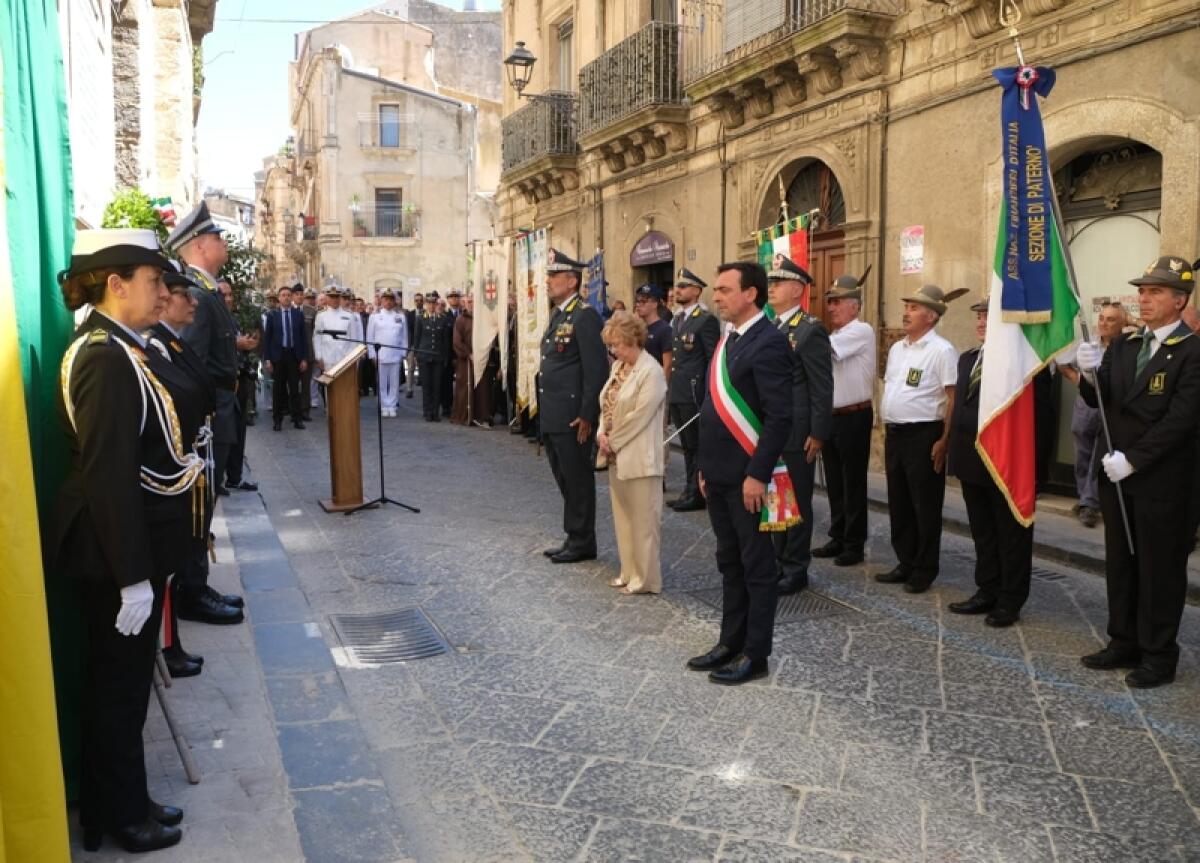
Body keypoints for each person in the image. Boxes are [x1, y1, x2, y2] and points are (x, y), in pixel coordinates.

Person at [53, 229, 203, 853]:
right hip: (112, 555)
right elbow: (109, 475)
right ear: (116, 285)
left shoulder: (123, 348)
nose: (161, 293)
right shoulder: (104, 356)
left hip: (128, 550)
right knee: (116, 693)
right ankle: (116, 817)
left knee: (125, 688)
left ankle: (124, 799)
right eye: (151, 282)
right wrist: (131, 576)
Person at [1074, 256, 1200, 688]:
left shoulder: (1192, 351)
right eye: (1143, 292)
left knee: (1160, 570)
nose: (1144, 299)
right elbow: (1099, 401)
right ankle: (1123, 640)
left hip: (1161, 482)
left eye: (1156, 292)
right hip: (1117, 478)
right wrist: (1089, 373)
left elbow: (1181, 421)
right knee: (1122, 564)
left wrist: (1134, 459)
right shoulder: (1125, 346)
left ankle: (1159, 654)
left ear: (1180, 300)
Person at [686, 261, 792, 685]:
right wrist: (704, 468)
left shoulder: (769, 342)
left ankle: (755, 653)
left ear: (751, 294)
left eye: (726, 289)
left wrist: (757, 474)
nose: (717, 297)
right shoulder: (729, 340)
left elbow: (779, 417)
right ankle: (729, 641)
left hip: (748, 478)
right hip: (719, 474)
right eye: (716, 290)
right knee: (729, 561)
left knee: (757, 567)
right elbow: (711, 412)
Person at [168, 202, 245, 624]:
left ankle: (197, 583)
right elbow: (191, 364)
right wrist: (202, 422)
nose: (222, 242)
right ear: (199, 246)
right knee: (200, 504)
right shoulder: (198, 293)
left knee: (207, 503)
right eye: (216, 237)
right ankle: (191, 591)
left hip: (220, 409)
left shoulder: (206, 290)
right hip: (210, 416)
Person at [946, 297, 1034, 627]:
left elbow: (1041, 416)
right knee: (983, 531)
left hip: (1008, 462)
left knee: (1010, 534)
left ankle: (1010, 600)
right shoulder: (969, 358)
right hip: (972, 458)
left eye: (988, 317)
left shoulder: (1021, 364)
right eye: (979, 317)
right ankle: (987, 589)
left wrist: (1033, 468)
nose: (981, 322)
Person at [149, 263, 214, 679]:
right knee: (171, 563)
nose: (192, 302)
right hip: (173, 468)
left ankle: (172, 642)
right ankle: (168, 645)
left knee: (183, 551)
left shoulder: (171, 343)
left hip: (188, 459)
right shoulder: (154, 346)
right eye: (183, 295)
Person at [877, 284, 964, 593]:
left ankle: (925, 568)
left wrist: (944, 440)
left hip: (924, 434)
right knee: (899, 501)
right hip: (896, 433)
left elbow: (953, 398)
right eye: (907, 307)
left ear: (931, 316)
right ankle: (906, 560)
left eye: (914, 308)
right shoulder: (899, 349)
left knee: (924, 504)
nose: (906, 313)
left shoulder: (942, 351)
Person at [765, 256, 832, 595]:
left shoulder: (810, 330)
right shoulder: (773, 327)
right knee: (777, 498)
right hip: (774, 431)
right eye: (770, 283)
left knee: (798, 502)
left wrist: (818, 433)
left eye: (778, 283)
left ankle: (796, 567)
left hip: (797, 432)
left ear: (796, 289)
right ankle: (778, 560)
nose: (771, 288)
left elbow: (821, 386)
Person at [538, 249, 608, 564]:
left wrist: (587, 415)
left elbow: (596, 371)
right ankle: (574, 535)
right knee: (564, 477)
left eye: (554, 276)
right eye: (549, 276)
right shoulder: (559, 314)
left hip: (572, 415)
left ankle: (582, 541)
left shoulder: (585, 315)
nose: (548, 281)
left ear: (571, 280)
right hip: (554, 413)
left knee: (577, 479)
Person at [597, 312, 669, 594]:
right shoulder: (618, 369)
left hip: (640, 456)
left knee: (644, 522)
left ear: (633, 340)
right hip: (616, 455)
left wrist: (612, 440)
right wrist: (602, 433)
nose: (614, 350)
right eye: (611, 345)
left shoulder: (651, 372)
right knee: (623, 518)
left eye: (618, 344)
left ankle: (646, 579)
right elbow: (606, 403)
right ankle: (628, 571)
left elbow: (641, 416)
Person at [813, 271, 876, 566]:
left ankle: (854, 542)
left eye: (838, 302)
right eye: (830, 302)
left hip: (854, 416)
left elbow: (824, 353)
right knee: (835, 482)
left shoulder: (861, 331)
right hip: (833, 416)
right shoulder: (835, 334)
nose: (832, 308)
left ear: (855, 305)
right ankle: (838, 535)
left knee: (853, 483)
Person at [1060, 301, 1128, 527]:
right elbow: (1062, 363)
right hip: (1086, 406)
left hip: (1110, 408)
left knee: (1100, 454)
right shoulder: (1087, 344)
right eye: (1102, 318)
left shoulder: (1126, 347)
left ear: (1122, 323)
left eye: (1111, 319)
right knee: (1082, 454)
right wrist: (1079, 381)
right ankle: (1084, 498)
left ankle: (1089, 504)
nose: (1104, 323)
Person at [668, 268, 721, 512]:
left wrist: (709, 392)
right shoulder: (678, 319)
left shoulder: (705, 319)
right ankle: (689, 489)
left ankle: (697, 493)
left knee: (696, 445)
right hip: (678, 390)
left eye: (684, 286)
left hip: (694, 392)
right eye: (678, 286)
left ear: (697, 291)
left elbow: (712, 358)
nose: (678, 290)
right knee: (687, 445)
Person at [221, 279, 260, 490]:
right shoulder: (214, 320)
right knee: (227, 432)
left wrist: (246, 345)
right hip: (225, 385)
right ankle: (223, 476)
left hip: (240, 380)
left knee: (239, 429)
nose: (228, 299)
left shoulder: (231, 320)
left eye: (230, 295)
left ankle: (235, 477)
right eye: (223, 295)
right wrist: (235, 343)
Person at [262, 284, 309, 431]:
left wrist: (304, 358)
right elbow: (267, 338)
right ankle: (277, 420)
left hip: (294, 355)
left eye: (289, 295)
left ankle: (297, 419)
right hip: (278, 356)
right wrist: (268, 359)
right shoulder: (272, 315)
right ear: (279, 298)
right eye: (283, 295)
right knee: (278, 389)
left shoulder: (298, 314)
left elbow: (303, 337)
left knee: (295, 389)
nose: (286, 297)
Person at [366, 289, 408, 417]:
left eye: (391, 299)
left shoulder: (400, 317)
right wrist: (372, 354)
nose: (388, 302)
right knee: (382, 382)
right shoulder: (374, 317)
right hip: (381, 355)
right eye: (386, 299)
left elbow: (404, 337)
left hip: (395, 355)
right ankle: (384, 405)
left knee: (394, 382)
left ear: (394, 301)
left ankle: (393, 405)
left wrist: (403, 353)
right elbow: (370, 338)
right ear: (381, 301)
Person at [413, 290, 453, 421]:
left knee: (437, 386)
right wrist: (416, 355)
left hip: (438, 357)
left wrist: (446, 357)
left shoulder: (442, 319)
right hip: (424, 357)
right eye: (429, 303)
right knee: (426, 386)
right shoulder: (420, 319)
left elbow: (446, 340)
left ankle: (435, 412)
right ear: (426, 304)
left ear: (437, 304)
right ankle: (427, 411)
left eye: (433, 303)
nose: (431, 306)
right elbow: (417, 338)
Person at [634, 283, 673, 376]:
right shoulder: (638, 328)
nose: (638, 305)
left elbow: (667, 366)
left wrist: (661, 387)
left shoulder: (665, 330)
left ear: (655, 304)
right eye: (637, 301)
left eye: (643, 301)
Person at [452, 294, 474, 424]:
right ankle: (462, 415)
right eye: (469, 302)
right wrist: (467, 353)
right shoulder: (460, 320)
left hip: (478, 360)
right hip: (464, 361)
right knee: (463, 388)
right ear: (465, 304)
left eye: (473, 302)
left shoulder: (481, 319)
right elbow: (456, 341)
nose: (471, 304)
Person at [299, 286, 319, 419]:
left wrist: (315, 352)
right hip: (292, 352)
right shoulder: (292, 310)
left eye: (312, 298)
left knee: (306, 383)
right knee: (293, 383)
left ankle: (305, 410)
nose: (309, 300)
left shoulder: (313, 312)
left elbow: (315, 334)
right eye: (307, 298)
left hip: (308, 351)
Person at [405, 293, 423, 398]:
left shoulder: (426, 313)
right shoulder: (410, 314)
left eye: (420, 300)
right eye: (416, 300)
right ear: (414, 301)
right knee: (411, 367)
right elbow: (408, 331)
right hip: (412, 345)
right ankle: (409, 389)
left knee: (423, 368)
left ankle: (425, 389)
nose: (419, 302)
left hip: (423, 345)